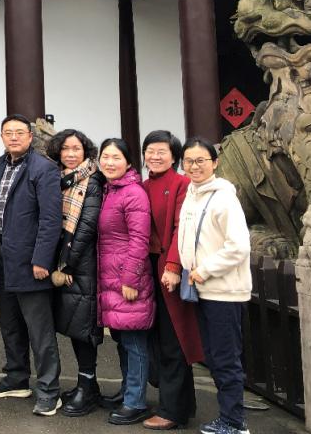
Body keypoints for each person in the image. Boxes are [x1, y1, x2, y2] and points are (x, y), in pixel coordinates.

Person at [0, 114, 63, 416]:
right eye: (8, 133)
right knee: (11, 324)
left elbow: (50, 219)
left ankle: (49, 391)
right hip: (3, 257)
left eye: (19, 132)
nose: (14, 137)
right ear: (2, 137)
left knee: (39, 330)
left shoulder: (43, 168)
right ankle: (17, 378)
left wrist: (42, 259)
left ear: (30, 137)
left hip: (31, 260)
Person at [177, 137, 252, 434]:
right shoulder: (192, 194)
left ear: (215, 163)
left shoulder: (224, 198)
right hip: (203, 289)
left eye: (201, 161)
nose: (194, 166)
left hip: (224, 291)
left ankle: (234, 422)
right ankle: (229, 418)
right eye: (189, 161)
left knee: (225, 359)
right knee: (214, 357)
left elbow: (239, 247)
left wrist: (204, 271)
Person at [140, 131, 204, 431]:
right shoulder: (143, 186)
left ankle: (171, 410)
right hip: (149, 270)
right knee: (158, 339)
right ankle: (181, 404)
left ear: (174, 156)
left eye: (161, 151)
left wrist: (174, 265)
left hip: (169, 271)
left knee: (173, 340)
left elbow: (182, 228)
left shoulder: (181, 184)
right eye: (150, 151)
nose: (155, 156)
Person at [46, 128, 105, 417]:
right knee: (73, 324)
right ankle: (87, 384)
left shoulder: (92, 180)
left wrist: (66, 265)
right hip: (65, 260)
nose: (70, 154)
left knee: (84, 328)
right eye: (65, 149)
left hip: (82, 263)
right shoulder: (60, 179)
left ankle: (88, 386)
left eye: (76, 149)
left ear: (86, 152)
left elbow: (87, 226)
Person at [97, 138, 155, 426]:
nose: (109, 162)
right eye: (105, 157)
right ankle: (127, 391)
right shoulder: (109, 190)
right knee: (122, 339)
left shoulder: (133, 193)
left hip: (128, 280)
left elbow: (140, 239)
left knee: (134, 342)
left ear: (129, 163)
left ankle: (136, 401)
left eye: (116, 157)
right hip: (112, 279)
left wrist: (131, 279)